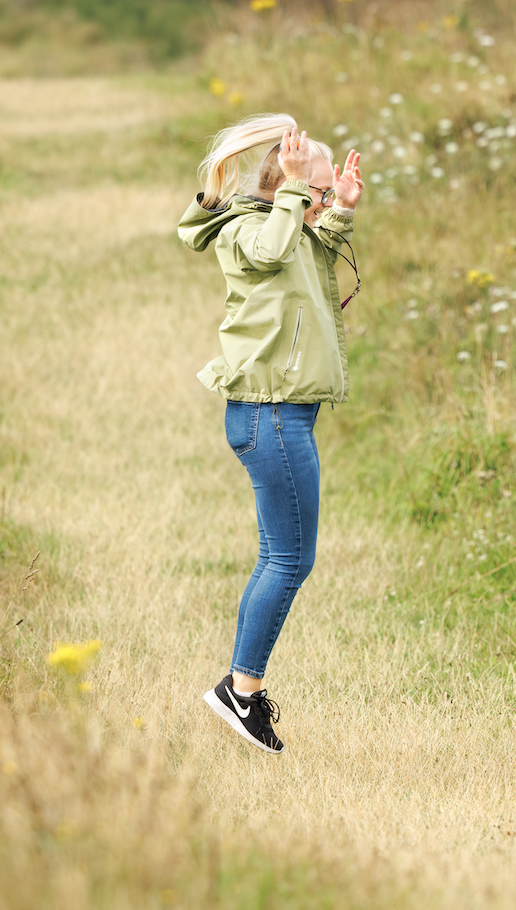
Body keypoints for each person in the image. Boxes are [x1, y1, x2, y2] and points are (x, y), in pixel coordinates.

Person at [178, 113, 364, 753]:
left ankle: (241, 688)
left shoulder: (287, 227)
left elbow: (307, 254)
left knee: (281, 556)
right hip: (270, 415)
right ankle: (241, 690)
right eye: (309, 183)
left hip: (283, 415)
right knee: (290, 559)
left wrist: (338, 209)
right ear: (276, 180)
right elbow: (270, 250)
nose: (314, 195)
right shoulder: (246, 232)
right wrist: (294, 192)